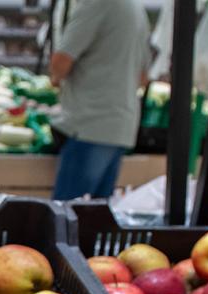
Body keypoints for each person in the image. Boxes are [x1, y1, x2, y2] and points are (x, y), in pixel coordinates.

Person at [49, 0, 152, 201]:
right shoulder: (135, 7)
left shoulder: (96, 4)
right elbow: (143, 77)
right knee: (96, 219)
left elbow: (61, 62)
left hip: (90, 123)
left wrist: (56, 79)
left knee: (66, 217)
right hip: (121, 124)